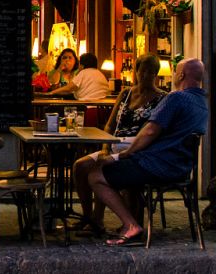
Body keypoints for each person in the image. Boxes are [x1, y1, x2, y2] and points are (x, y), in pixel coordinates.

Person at [88, 58, 208, 246]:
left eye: (176, 71)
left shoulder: (175, 98)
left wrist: (126, 154)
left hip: (156, 165)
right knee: (115, 168)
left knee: (95, 173)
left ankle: (130, 225)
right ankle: (124, 222)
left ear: (181, 75)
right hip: (180, 168)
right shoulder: (202, 103)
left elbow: (150, 130)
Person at [71, 54, 166, 234]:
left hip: (136, 149)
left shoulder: (162, 99)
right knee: (80, 166)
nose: (145, 75)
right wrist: (105, 146)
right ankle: (89, 216)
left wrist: (122, 152)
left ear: (156, 74)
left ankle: (98, 220)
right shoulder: (125, 93)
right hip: (113, 143)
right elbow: (110, 123)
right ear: (136, 71)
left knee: (100, 168)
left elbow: (154, 132)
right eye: (142, 71)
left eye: (150, 72)